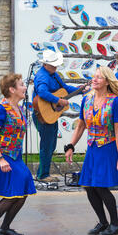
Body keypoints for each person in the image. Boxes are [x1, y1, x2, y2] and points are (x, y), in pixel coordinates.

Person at [65, 66, 118, 235]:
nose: (94, 80)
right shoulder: (87, 100)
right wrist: (71, 145)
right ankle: (103, 222)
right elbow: (81, 125)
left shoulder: (115, 102)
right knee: (89, 186)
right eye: (94, 77)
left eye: (99, 77)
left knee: (101, 187)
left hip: (108, 148)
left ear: (107, 81)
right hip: (93, 148)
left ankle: (116, 223)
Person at [0, 74, 36, 235]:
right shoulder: (0, 109)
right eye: (21, 85)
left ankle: (5, 227)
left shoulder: (18, 107)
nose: (25, 87)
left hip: (15, 156)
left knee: (23, 188)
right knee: (13, 192)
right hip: (0, 155)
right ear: (12, 90)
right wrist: (0, 160)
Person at [32, 50, 83, 182]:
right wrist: (58, 101)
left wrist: (81, 90)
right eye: (53, 64)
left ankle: (42, 173)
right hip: (42, 114)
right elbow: (42, 92)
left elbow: (65, 88)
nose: (56, 67)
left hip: (50, 114)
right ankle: (43, 175)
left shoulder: (53, 74)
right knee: (47, 144)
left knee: (50, 144)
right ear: (45, 64)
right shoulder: (43, 76)